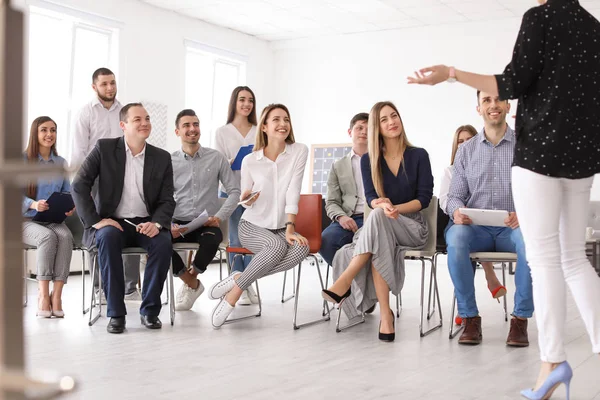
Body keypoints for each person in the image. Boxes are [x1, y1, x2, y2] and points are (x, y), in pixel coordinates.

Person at [408, 1, 600, 397]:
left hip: (539, 156)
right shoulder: (592, 27)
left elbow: (511, 80)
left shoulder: (540, 17)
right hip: (582, 158)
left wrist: (451, 74)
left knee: (546, 257)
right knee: (573, 259)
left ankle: (552, 362)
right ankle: (555, 362)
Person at [322, 101, 433, 342]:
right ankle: (385, 316)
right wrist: (381, 207)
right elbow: (372, 198)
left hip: (412, 226)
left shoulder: (418, 155)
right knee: (379, 229)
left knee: (379, 218)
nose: (392, 122)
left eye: (394, 116)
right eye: (384, 119)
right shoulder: (368, 160)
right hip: (383, 224)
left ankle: (345, 280)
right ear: (377, 127)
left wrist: (393, 209)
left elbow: (424, 199)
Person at [72, 103, 175, 334]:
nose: (145, 123)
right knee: (107, 238)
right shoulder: (104, 149)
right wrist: (96, 221)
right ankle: (116, 314)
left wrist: (156, 223)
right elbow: (79, 185)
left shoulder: (161, 157)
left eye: (147, 118)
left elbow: (168, 199)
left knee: (163, 243)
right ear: (123, 125)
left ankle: (149, 311)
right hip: (113, 222)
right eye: (137, 119)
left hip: (145, 222)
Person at [442, 91, 533, 348]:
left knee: (531, 242)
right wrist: (457, 211)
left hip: (511, 228)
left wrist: (525, 213)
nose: (493, 105)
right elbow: (455, 196)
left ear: (507, 105)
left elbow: (538, 190)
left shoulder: (525, 145)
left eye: (498, 100)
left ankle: (520, 320)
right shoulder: (466, 151)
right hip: (476, 229)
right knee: (456, 238)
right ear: (478, 108)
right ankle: (470, 318)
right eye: (486, 101)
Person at [208, 104, 309, 329]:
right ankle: (233, 298)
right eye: (276, 120)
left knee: (301, 248)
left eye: (286, 119)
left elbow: (294, 190)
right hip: (252, 225)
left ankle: (237, 281)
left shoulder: (299, 151)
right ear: (264, 126)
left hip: (282, 226)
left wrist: (291, 227)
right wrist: (246, 199)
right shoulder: (250, 160)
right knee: (275, 247)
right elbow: (245, 197)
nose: (283, 124)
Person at [70, 67, 141, 301]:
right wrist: (83, 189)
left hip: (125, 177)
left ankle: (131, 287)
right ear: (94, 87)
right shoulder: (86, 113)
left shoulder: (125, 111)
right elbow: (79, 152)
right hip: (95, 178)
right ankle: (100, 287)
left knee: (130, 222)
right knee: (98, 229)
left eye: (112, 83)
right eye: (104, 84)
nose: (110, 87)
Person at [170, 109, 240, 311]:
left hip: (207, 223)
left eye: (196, 124)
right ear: (177, 132)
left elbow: (234, 191)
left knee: (211, 239)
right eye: (186, 125)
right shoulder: (169, 161)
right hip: (178, 223)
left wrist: (219, 216)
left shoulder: (216, 158)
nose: (192, 129)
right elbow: (161, 198)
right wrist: (167, 224)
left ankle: (191, 281)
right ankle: (191, 283)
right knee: (156, 242)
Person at [440, 125, 506, 309]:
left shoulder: (488, 167)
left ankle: (467, 304)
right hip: (458, 220)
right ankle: (489, 278)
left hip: (484, 223)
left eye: (469, 140)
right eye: (460, 141)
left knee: (478, 228)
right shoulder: (450, 171)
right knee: (461, 238)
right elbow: (445, 200)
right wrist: (458, 211)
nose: (464, 144)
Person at [22, 117, 74, 318]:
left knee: (66, 237)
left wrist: (70, 207)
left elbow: (67, 191)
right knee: (47, 237)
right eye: (44, 130)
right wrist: (33, 204)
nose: (49, 134)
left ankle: (57, 297)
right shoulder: (23, 160)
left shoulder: (61, 163)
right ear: (35, 133)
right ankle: (43, 296)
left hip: (53, 220)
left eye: (53, 130)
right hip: (26, 221)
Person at [214, 86, 258, 306]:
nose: (246, 104)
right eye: (242, 100)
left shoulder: (259, 131)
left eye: (250, 100)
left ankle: (247, 284)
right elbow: (219, 166)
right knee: (235, 239)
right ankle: (235, 282)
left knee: (252, 240)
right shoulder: (222, 132)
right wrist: (230, 163)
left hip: (255, 193)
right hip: (231, 191)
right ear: (234, 102)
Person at [320, 113, 368, 266]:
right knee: (326, 241)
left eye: (369, 128)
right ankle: (349, 284)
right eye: (359, 128)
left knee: (369, 244)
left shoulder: (383, 162)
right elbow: (332, 201)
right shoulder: (338, 165)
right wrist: (341, 217)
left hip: (373, 218)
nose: (364, 132)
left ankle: (351, 285)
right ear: (350, 132)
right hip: (348, 217)